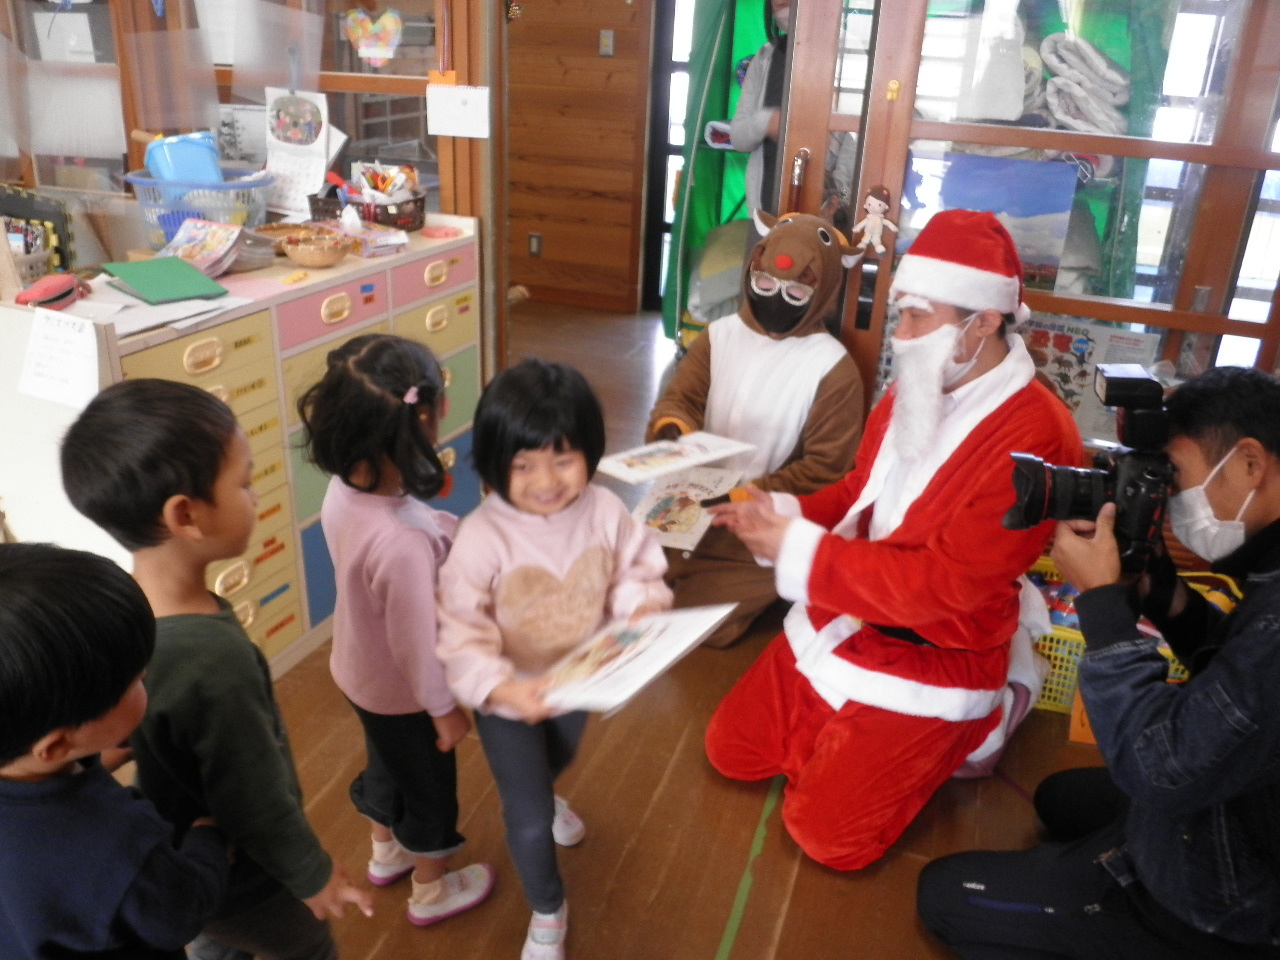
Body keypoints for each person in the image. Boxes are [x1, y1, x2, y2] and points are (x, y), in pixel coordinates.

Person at [703, 209, 1083, 870]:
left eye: (916, 315)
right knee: (731, 750)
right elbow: (857, 496)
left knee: (829, 838)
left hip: (942, 647)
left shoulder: (1038, 438)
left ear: (984, 321)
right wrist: (775, 506)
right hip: (850, 606)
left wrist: (794, 545)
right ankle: (858, 737)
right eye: (899, 312)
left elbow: (945, 586)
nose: (900, 334)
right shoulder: (919, 381)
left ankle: (988, 715)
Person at [917, 365, 1280, 959]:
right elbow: (1240, 685)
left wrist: (1105, 608)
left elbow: (1160, 766)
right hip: (1241, 804)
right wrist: (1164, 594)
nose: (1171, 499)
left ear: (1250, 463)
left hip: (1230, 906)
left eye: (1177, 477)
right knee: (1061, 797)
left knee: (947, 894)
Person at [61, 379, 373, 960]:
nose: (257, 496)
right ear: (187, 515)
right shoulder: (213, 657)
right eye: (245, 482)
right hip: (253, 881)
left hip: (181, 861)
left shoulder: (122, 613)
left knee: (212, 946)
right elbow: (253, 794)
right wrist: (312, 874)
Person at [436, 359, 673, 960]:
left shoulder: (604, 510)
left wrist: (639, 605)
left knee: (560, 758)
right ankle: (547, 908)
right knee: (529, 818)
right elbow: (460, 630)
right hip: (509, 694)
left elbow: (632, 569)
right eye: (524, 464)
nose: (546, 480)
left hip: (579, 678)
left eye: (563, 459)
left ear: (590, 453)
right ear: (495, 463)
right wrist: (498, 690)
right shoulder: (480, 538)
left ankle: (548, 791)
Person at [298, 333, 495, 926]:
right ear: (425, 418)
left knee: (386, 763)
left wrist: (443, 532)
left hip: (358, 671)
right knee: (429, 788)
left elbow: (396, 530)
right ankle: (433, 890)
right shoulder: (404, 545)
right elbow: (416, 642)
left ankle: (386, 853)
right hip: (408, 692)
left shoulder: (344, 490)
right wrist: (443, 709)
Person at [0, 542, 229, 960]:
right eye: (137, 679)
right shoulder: (116, 843)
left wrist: (92, 760)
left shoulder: (25, 760)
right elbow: (180, 912)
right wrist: (207, 840)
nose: (147, 679)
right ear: (56, 744)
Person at [647, 210, 863, 647]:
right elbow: (680, 398)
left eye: (797, 291)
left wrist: (745, 496)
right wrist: (673, 430)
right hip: (692, 501)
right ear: (752, 272)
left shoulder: (834, 369)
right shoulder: (719, 335)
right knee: (628, 585)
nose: (776, 299)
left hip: (759, 517)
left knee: (694, 623)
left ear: (822, 294)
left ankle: (763, 586)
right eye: (765, 285)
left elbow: (826, 470)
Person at [730, 0, 792, 219]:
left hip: (821, 218)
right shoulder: (765, 57)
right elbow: (738, 138)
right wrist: (766, 122)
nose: (780, 2)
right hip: (765, 213)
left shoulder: (843, 53)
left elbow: (853, 141)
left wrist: (838, 197)